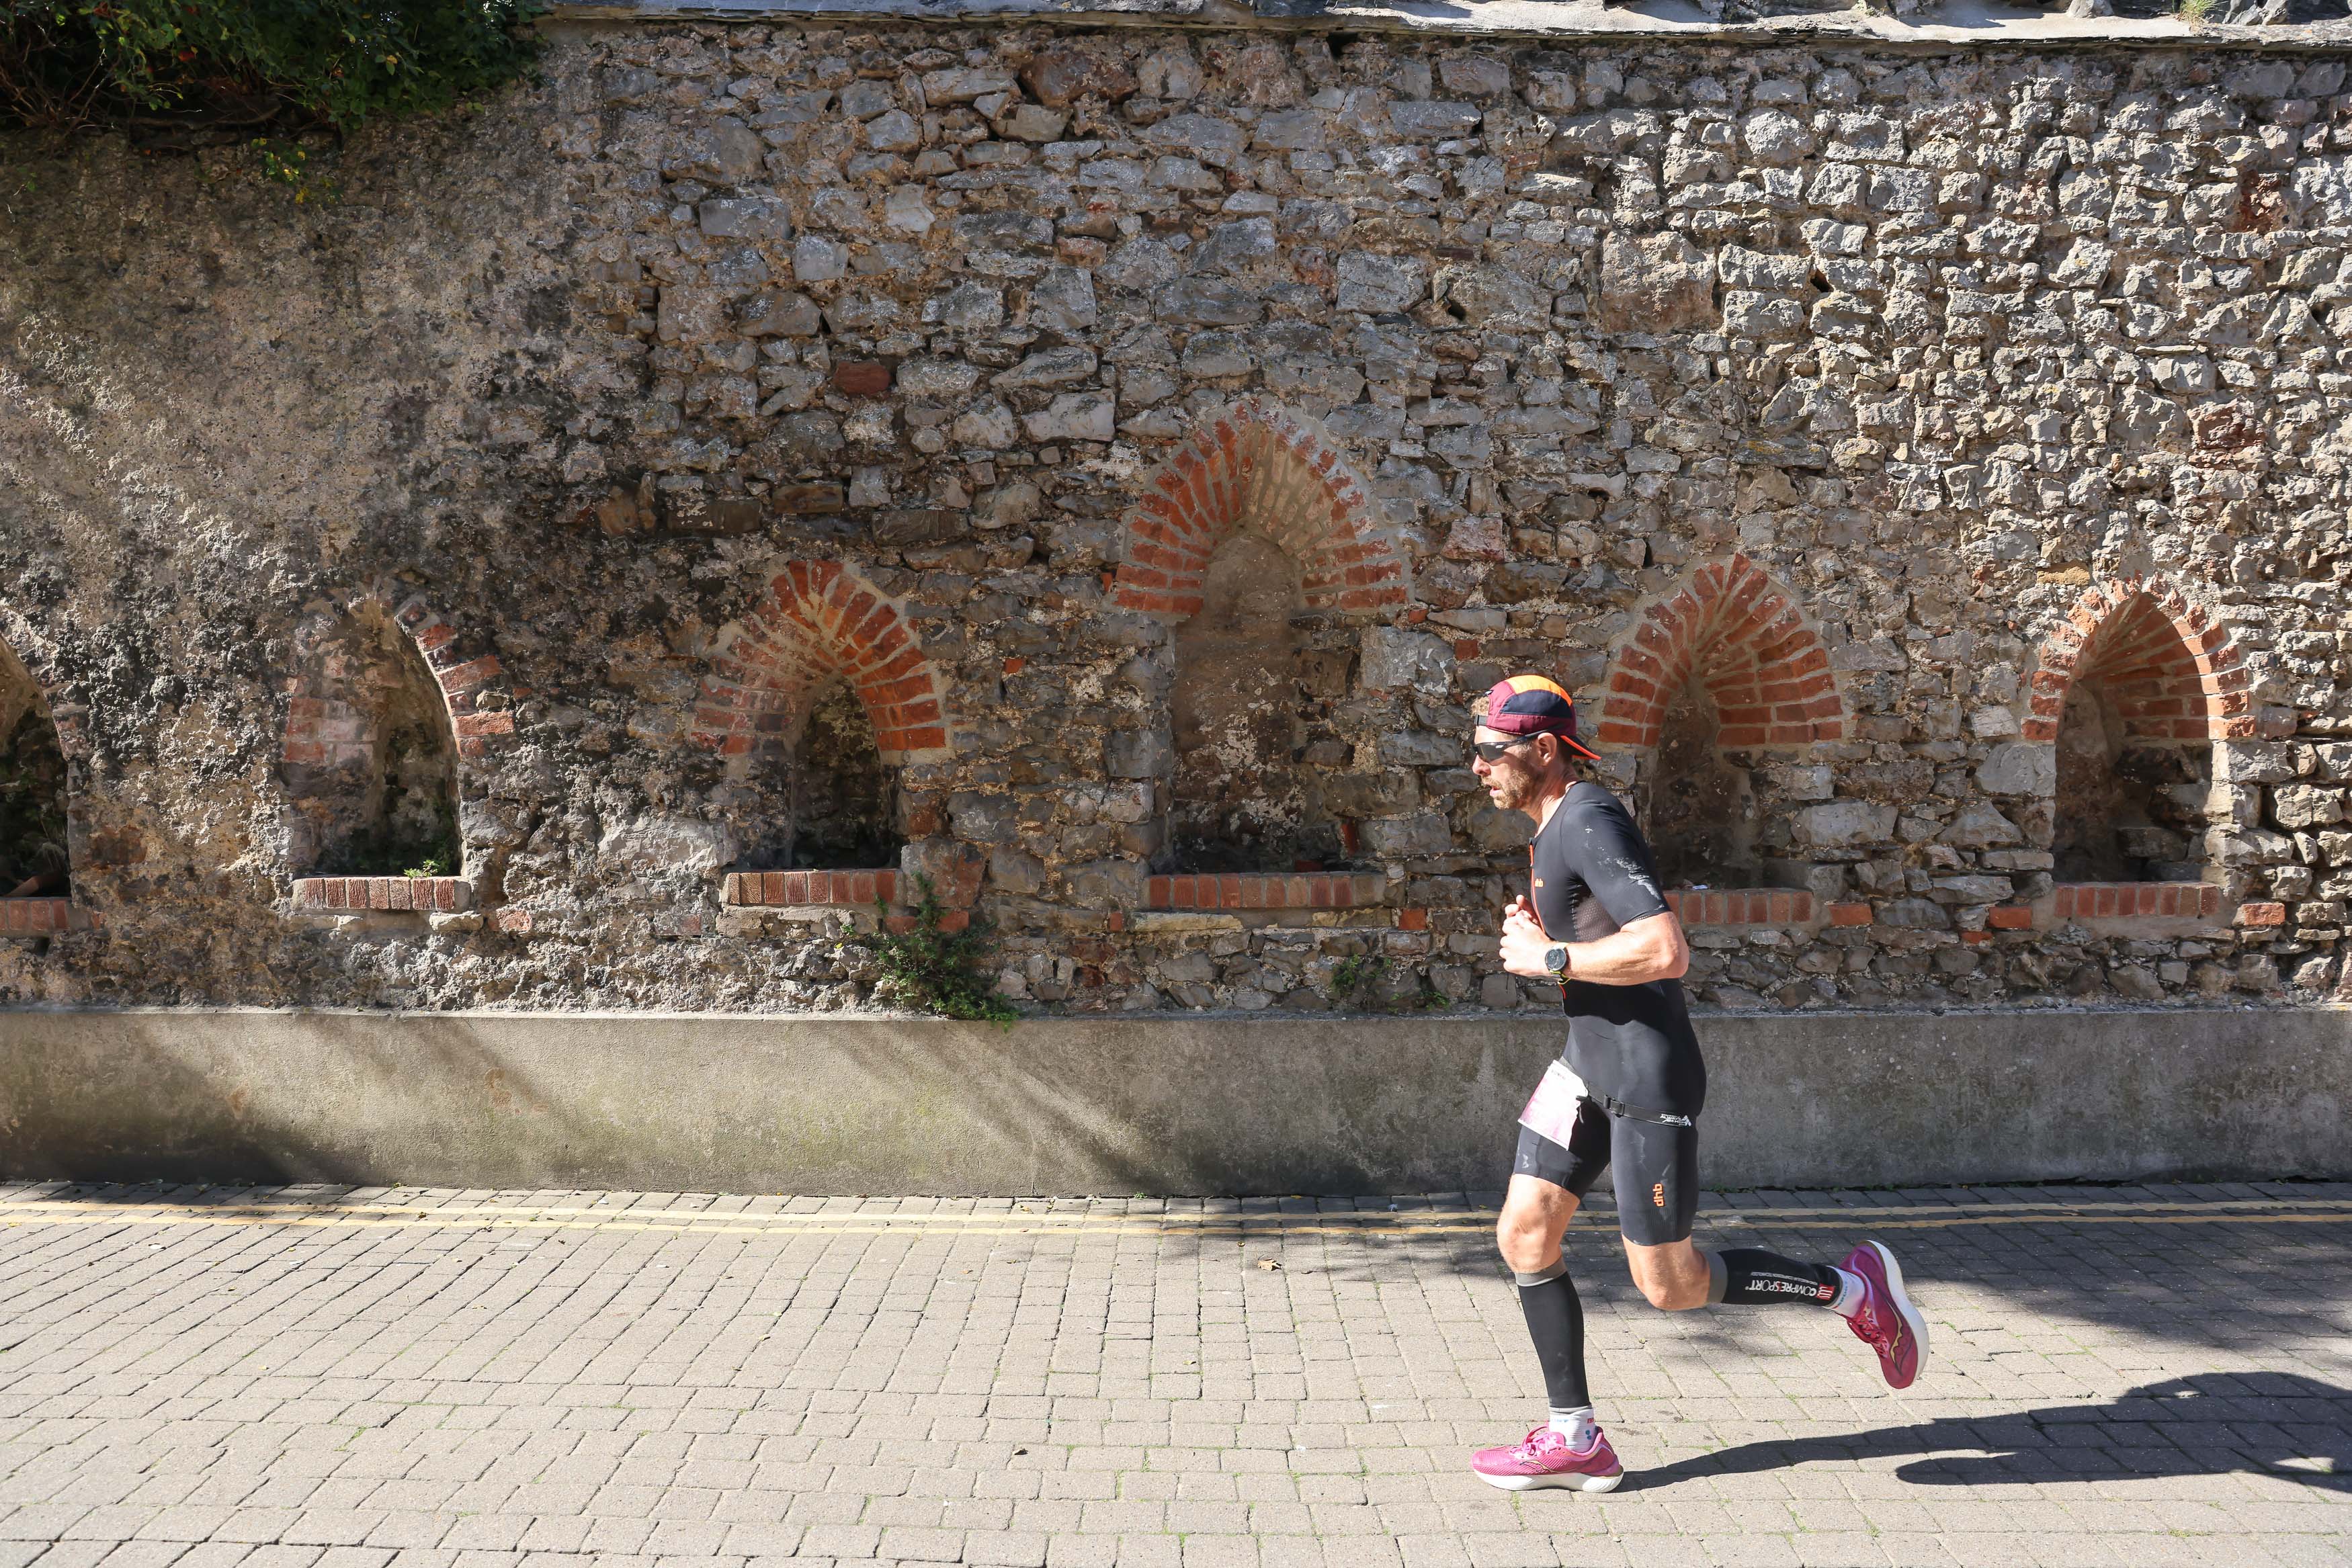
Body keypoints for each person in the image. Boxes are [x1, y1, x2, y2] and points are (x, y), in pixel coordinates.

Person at [1464, 674, 1929, 1494]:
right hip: (1583, 1065)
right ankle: (1575, 1439)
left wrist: (1550, 958)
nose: (1476, 766)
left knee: (1670, 1287)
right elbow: (1604, 936)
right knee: (1523, 1234)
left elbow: (1664, 950)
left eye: (1489, 751)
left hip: (1645, 1077)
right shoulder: (1550, 828)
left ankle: (1855, 1293)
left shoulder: (1588, 817)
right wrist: (1550, 934)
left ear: (1541, 751)